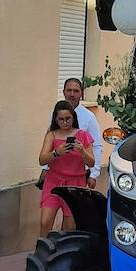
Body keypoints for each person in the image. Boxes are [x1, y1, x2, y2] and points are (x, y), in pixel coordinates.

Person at [38, 100, 94, 236]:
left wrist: (82, 152)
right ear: (56, 120)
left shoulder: (82, 135)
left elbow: (91, 162)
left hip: (75, 183)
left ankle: (63, 252)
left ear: (73, 117)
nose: (65, 122)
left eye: (68, 118)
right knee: (45, 221)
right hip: (54, 181)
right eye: (61, 119)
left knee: (70, 225)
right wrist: (57, 153)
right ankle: (43, 250)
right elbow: (41, 159)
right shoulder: (51, 135)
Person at [62, 77, 102, 188]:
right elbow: (49, 141)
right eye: (69, 90)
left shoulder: (88, 117)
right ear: (63, 92)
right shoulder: (55, 114)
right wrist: (45, 168)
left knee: (73, 205)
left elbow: (97, 146)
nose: (72, 94)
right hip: (57, 172)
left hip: (79, 173)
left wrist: (94, 174)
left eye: (76, 91)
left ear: (81, 94)